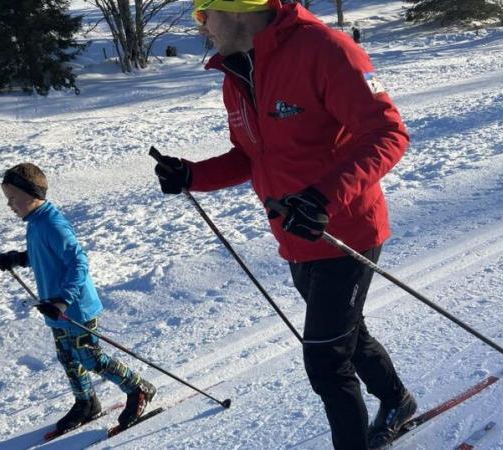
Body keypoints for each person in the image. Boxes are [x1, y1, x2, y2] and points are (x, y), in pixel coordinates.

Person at [154, 1, 415, 449]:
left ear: (237, 11)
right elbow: (251, 155)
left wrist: (322, 197)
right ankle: (397, 401)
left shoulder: (326, 49)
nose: (201, 26)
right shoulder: (238, 72)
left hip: (344, 231)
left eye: (203, 14)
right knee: (348, 336)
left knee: (326, 362)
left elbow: (388, 133)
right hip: (295, 237)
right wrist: (192, 174)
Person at [0, 163, 156, 435]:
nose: (9, 205)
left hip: (74, 308)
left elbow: (78, 262)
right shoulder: (35, 222)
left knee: (91, 359)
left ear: (30, 193)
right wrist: (16, 258)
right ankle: (86, 402)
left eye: (12, 198)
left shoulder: (52, 223)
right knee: (67, 357)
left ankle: (138, 388)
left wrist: (63, 300)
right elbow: (44, 255)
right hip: (55, 309)